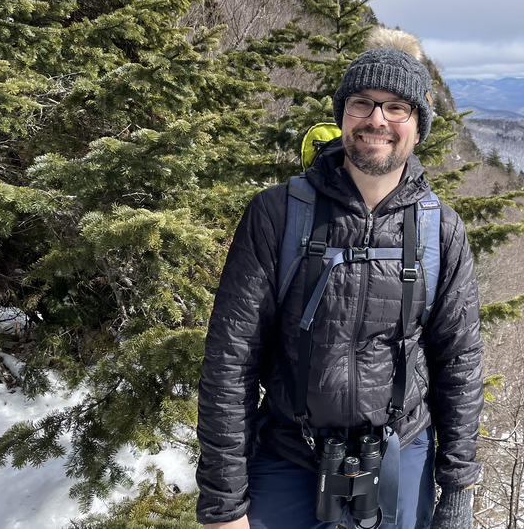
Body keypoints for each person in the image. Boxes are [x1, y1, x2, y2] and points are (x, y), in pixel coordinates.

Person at [195, 39, 483, 529]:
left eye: (397, 107)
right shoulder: (279, 214)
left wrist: (456, 492)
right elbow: (230, 359)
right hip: (288, 456)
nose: (378, 120)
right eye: (362, 103)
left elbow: (458, 361)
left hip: (398, 456)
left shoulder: (440, 230)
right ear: (343, 114)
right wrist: (224, 505)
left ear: (417, 126)